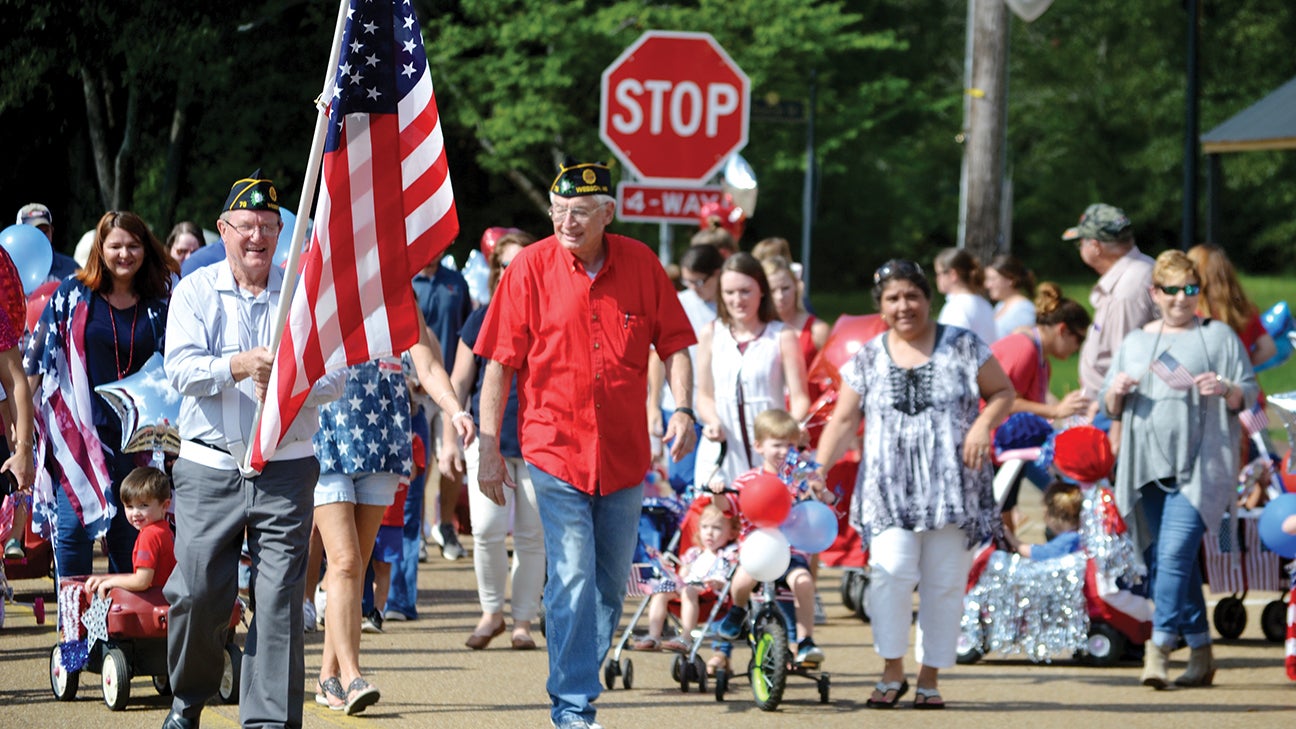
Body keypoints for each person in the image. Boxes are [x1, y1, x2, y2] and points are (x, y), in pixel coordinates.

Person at [474, 158, 698, 729]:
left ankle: (574, 682)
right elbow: (499, 365)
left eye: (578, 212)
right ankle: (573, 706)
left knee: (605, 585)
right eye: (557, 211)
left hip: (623, 458)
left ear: (607, 214)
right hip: (554, 449)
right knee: (570, 573)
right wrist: (488, 449)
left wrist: (685, 410)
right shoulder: (528, 267)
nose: (566, 222)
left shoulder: (642, 264)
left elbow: (674, 345)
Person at [161, 171, 344, 729]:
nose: (258, 237)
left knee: (280, 601)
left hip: (286, 468)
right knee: (196, 592)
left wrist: (292, 381)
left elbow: (336, 379)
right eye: (247, 226)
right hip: (209, 467)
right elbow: (179, 370)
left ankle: (267, 722)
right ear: (224, 230)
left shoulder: (303, 296)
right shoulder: (195, 289)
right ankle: (189, 697)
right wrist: (237, 366)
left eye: (269, 226)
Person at [813, 259, 1013, 710]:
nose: (904, 306)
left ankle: (930, 677)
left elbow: (1003, 392)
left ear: (928, 299)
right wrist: (818, 467)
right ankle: (891, 669)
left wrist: (982, 426)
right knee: (891, 576)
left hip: (952, 489)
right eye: (893, 299)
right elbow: (844, 418)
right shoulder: (867, 356)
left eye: (912, 296)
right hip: (888, 489)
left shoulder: (963, 346)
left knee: (943, 583)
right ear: (880, 307)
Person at [1102, 249, 1257, 691]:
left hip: (1203, 466)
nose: (1181, 300)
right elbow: (1108, 406)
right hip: (1146, 466)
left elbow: (1248, 393)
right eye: (1171, 290)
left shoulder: (1219, 336)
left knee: (1172, 555)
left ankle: (1160, 648)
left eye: (1190, 290)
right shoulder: (1135, 342)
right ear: (1155, 293)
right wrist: (1115, 392)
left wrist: (1225, 388)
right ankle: (1202, 651)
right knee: (1165, 560)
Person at [312, 322, 472, 715]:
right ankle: (352, 676)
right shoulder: (324, 276)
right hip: (327, 437)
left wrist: (455, 411)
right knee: (346, 561)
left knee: (355, 567)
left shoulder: (397, 291)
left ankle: (327, 676)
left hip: (382, 440)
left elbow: (430, 367)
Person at [26, 210, 175, 583]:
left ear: (145, 249)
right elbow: (34, 364)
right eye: (115, 246)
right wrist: (21, 436)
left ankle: (123, 636)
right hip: (78, 434)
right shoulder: (72, 295)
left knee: (133, 535)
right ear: (100, 249)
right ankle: (76, 638)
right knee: (73, 533)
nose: (125, 254)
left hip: (140, 439)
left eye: (133, 245)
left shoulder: (160, 303)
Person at [449, 229, 546, 651]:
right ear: (496, 271)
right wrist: (449, 437)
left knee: (531, 535)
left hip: (540, 441)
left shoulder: (551, 314)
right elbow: (458, 381)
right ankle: (492, 613)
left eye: (524, 262)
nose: (515, 271)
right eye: (507, 264)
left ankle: (523, 619)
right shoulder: (481, 316)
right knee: (486, 529)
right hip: (487, 440)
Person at [713, 409, 836, 667]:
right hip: (757, 551)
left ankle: (805, 641)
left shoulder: (799, 480)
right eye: (777, 444)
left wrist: (823, 495)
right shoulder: (748, 480)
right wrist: (717, 492)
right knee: (742, 580)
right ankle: (737, 611)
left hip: (790, 552)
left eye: (790, 445)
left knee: (803, 582)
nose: (783, 451)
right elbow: (728, 506)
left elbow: (818, 503)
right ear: (759, 446)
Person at [697, 252, 810, 487]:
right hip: (726, 447)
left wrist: (787, 432)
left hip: (770, 449)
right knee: (719, 515)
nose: (737, 300)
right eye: (729, 292)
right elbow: (705, 395)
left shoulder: (781, 335)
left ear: (761, 290)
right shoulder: (711, 333)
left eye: (745, 291)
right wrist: (712, 420)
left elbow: (800, 398)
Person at [409, 246, 473, 567]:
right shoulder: (406, 280)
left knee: (453, 459)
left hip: (449, 385)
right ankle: (417, 531)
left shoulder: (456, 282)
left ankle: (445, 524)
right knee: (419, 462)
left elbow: (466, 333)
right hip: (416, 389)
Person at [1064, 203, 1157, 409]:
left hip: (1113, 411)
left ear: (1096, 247)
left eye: (1081, 242)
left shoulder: (1126, 290)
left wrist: (1108, 410)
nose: (1080, 247)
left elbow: (1126, 367)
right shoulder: (1139, 270)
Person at [649, 243, 722, 493]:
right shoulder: (678, 302)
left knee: (715, 481)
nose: (692, 288)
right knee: (681, 479)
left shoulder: (731, 304)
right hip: (678, 403)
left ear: (717, 274)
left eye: (699, 282)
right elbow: (659, 356)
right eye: (687, 281)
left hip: (717, 406)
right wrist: (653, 406)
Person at [634, 499, 739, 653]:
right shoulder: (694, 553)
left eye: (716, 528)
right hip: (685, 589)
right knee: (659, 593)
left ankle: (686, 637)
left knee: (688, 591)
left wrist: (719, 583)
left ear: (731, 533)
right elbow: (682, 574)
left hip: (709, 596)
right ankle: (654, 636)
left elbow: (729, 580)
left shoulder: (728, 554)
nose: (709, 532)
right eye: (704, 527)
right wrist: (676, 571)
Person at [990, 282, 1091, 421]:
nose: (1078, 347)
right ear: (1062, 330)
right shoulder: (1024, 349)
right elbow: (1005, 402)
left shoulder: (1043, 361)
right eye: (1079, 339)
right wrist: (1056, 411)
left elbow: (1034, 406)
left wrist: (1069, 408)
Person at [84, 466, 175, 597]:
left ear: (165, 506)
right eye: (129, 506)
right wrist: (106, 579)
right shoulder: (164, 530)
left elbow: (142, 581)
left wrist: (110, 582)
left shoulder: (149, 536)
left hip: (153, 605)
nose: (136, 513)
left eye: (144, 505)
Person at [762, 255, 830, 372]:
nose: (780, 296)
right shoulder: (756, 329)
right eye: (772, 290)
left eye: (785, 288)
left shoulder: (817, 330)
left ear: (796, 287)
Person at [934, 247, 996, 344]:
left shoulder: (956, 307)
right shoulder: (984, 303)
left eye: (938, 273)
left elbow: (952, 350)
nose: (936, 278)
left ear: (953, 275)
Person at [1010, 481, 1082, 560]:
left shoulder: (1068, 540)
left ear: (1052, 516)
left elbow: (1036, 553)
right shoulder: (1081, 532)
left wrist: (1009, 536)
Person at [16, 203, 81, 281]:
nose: (41, 237)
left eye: (45, 232)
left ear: (52, 231)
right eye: (34, 232)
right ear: (20, 235)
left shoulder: (72, 269)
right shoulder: (8, 272)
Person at [984, 254, 1037, 340]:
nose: (987, 285)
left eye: (993, 279)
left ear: (1010, 280)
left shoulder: (1023, 310)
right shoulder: (1000, 305)